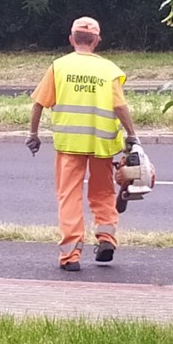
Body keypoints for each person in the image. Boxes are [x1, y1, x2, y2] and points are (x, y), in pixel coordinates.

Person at [26, 16, 139, 272]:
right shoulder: (108, 69)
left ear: (71, 39)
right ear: (97, 40)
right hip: (102, 143)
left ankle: (71, 256)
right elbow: (119, 106)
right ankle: (106, 238)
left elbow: (38, 104)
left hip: (69, 144)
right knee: (103, 193)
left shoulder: (59, 66)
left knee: (69, 197)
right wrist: (132, 134)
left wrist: (33, 134)